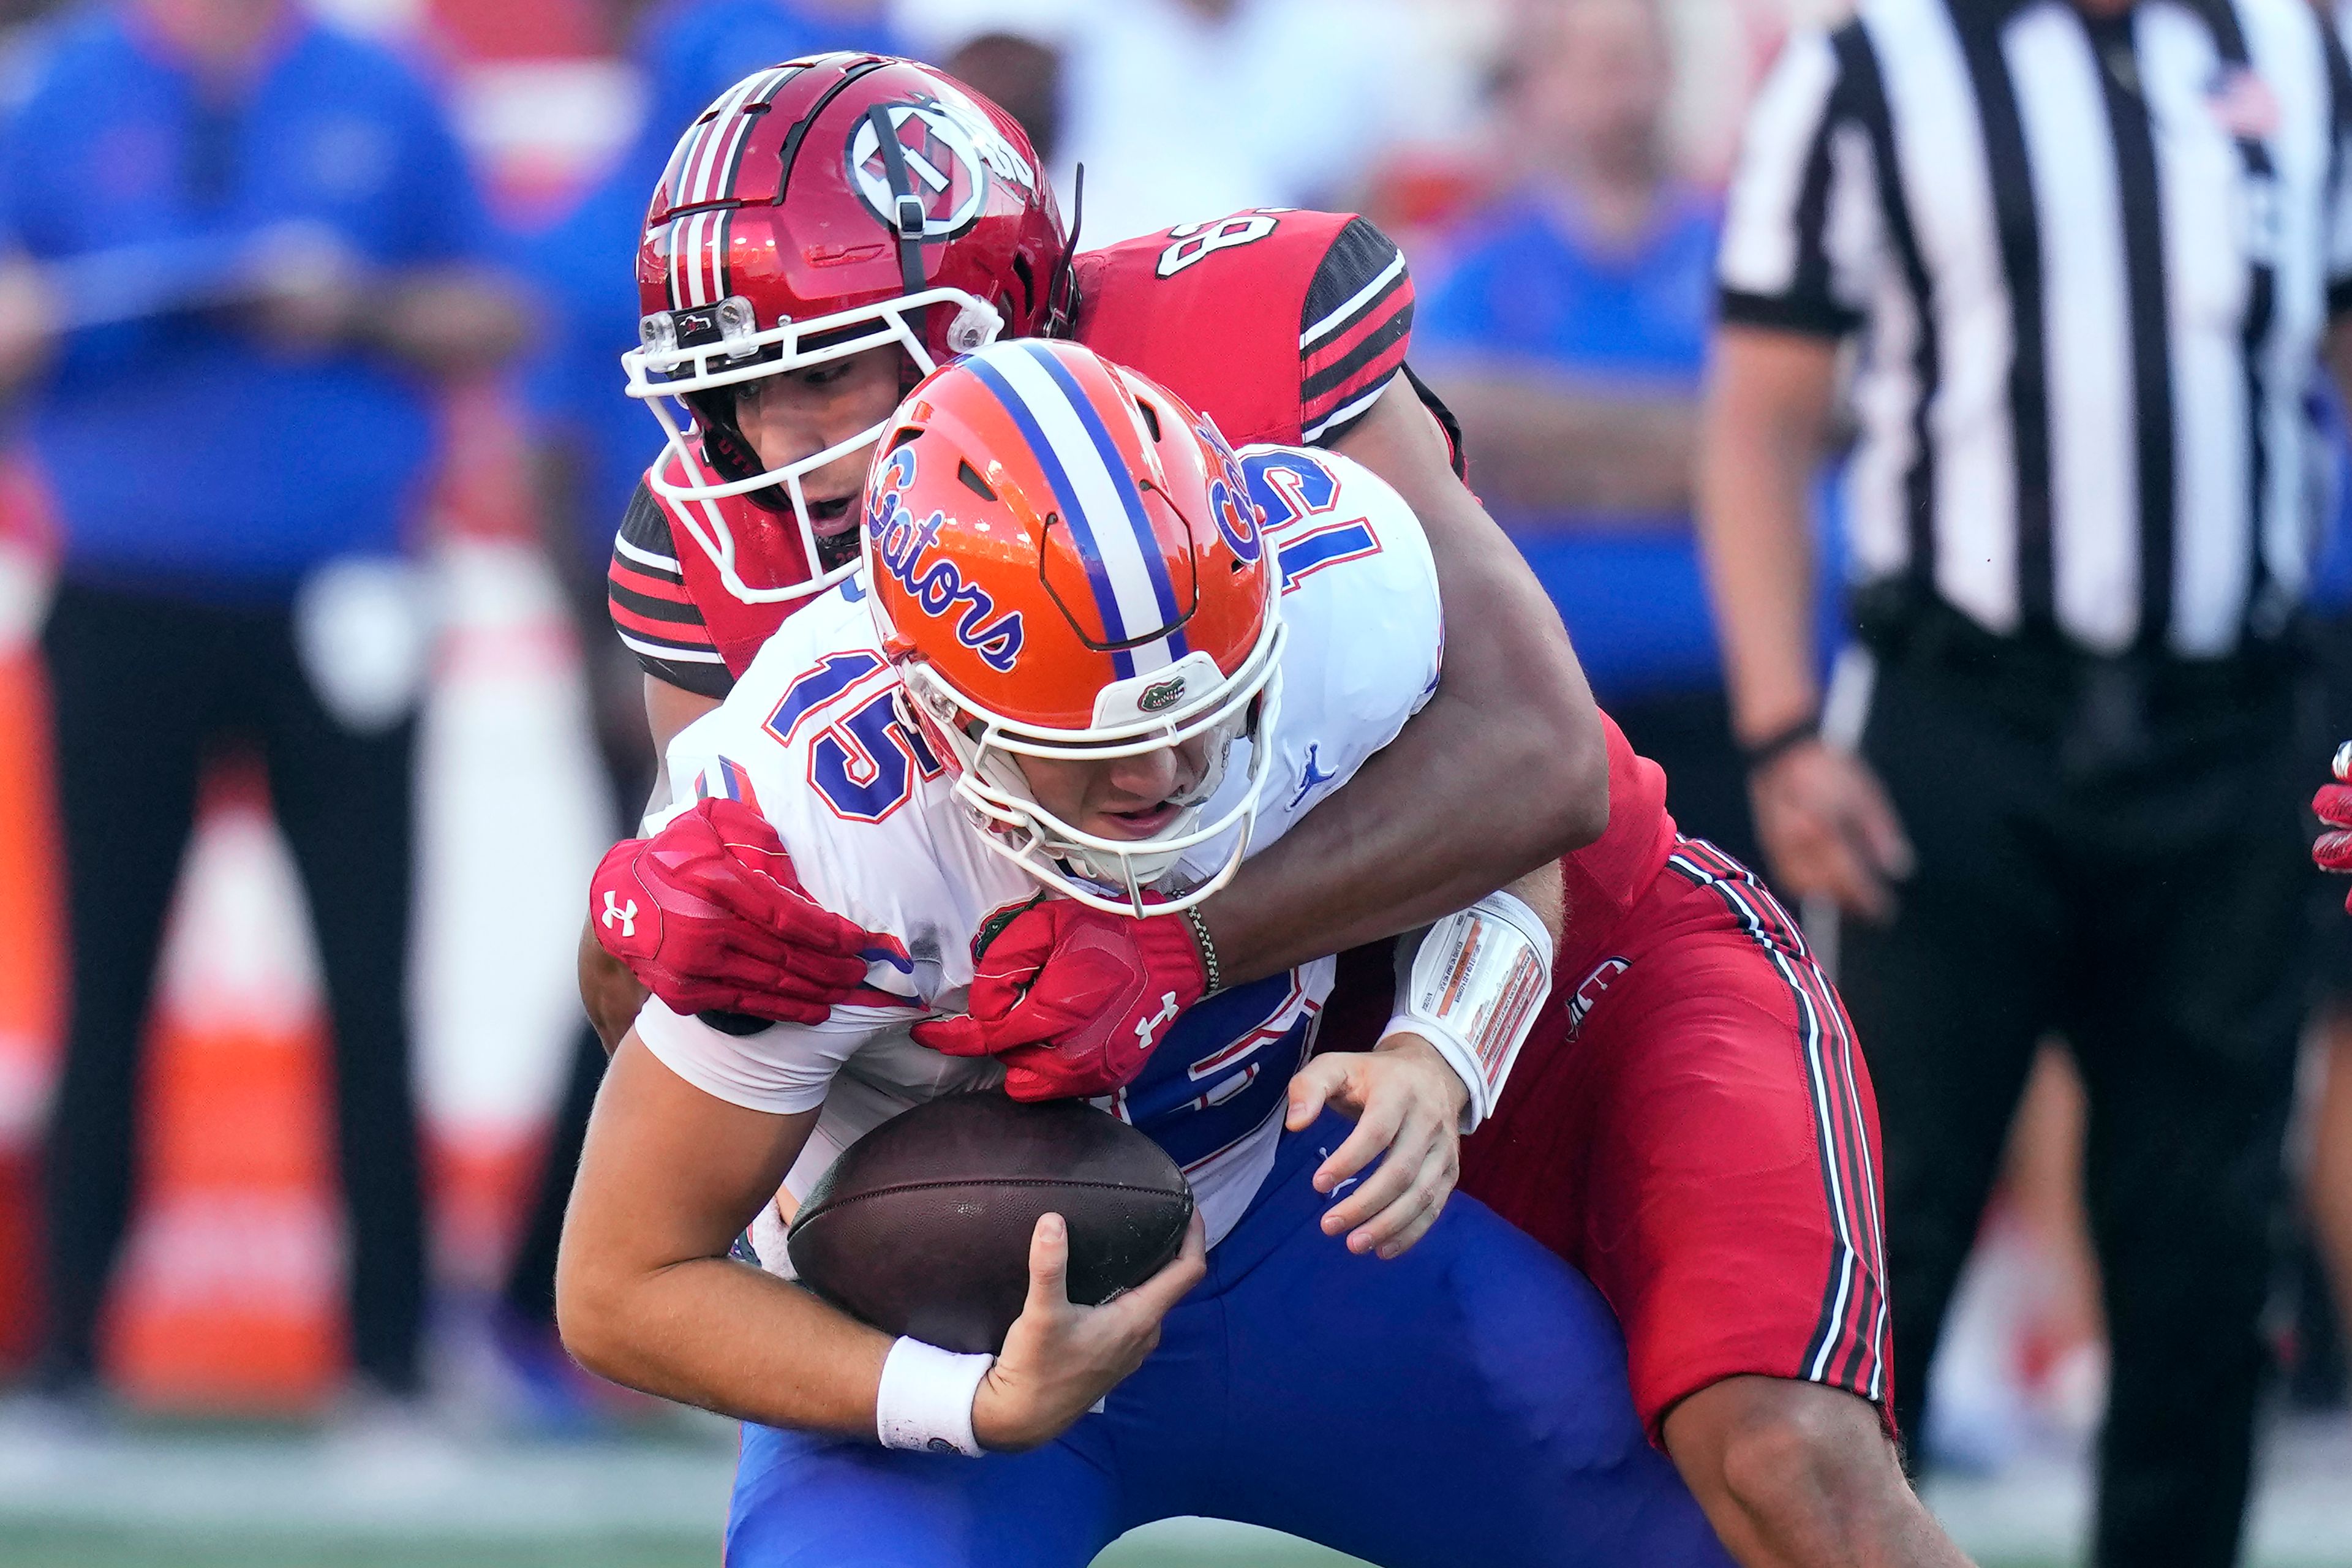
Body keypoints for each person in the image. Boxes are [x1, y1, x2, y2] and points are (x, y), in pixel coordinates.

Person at [585, 56, 1974, 1568]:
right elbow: (695, 1059)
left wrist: (1187, 944)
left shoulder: (1290, 455)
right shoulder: (741, 582)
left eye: (829, 372)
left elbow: (1535, 764)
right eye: (738, 394)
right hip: (1161, 1140)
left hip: (1536, 967)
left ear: (982, 313)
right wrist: (641, 930)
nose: (780, 451)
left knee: (1779, 1472)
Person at [559, 336, 1733, 1567]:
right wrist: (959, 1400)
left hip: (1295, 1216)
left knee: (1697, 1531)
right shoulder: (810, 830)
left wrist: (1441, 1048)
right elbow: (621, 1283)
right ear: (932, 695)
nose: (1162, 773)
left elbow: (1517, 833)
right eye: (1092, 736)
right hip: (942, 1308)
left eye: (1204, 707)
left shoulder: (1346, 585)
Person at [1700, 0, 2350, 1559]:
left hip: (2234, 718)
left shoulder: (2304, 51)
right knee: (1885, 1227)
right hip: (1957, 722)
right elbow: (1762, 412)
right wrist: (1786, 731)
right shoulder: (1874, 68)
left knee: (2203, 1245)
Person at [0, 0, 528, 1406]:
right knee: (104, 983)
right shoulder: (62, 91)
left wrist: (351, 307)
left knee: (371, 985)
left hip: (340, 589)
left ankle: (392, 1358)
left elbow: (494, 307)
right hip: (121, 590)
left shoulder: (380, 87)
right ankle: (66, 1358)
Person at [1415, 0, 1771, 866]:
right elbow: (1447, 440)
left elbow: (1789, 432)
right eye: (1590, 63)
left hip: (1735, 723)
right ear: (1536, 86)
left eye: (1634, 60)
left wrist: (1548, 440)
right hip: (1549, 732)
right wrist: (1694, 447)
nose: (1618, 91)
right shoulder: (1477, 270)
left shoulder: (1742, 251)